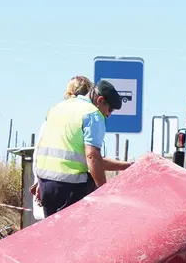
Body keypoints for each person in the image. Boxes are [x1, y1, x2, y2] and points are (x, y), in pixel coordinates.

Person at [33, 79, 132, 217]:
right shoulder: (93, 115)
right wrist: (105, 192)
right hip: (70, 187)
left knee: (54, 234)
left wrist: (127, 166)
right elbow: (92, 157)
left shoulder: (57, 108)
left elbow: (91, 159)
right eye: (110, 109)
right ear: (100, 100)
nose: (109, 114)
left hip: (45, 185)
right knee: (75, 235)